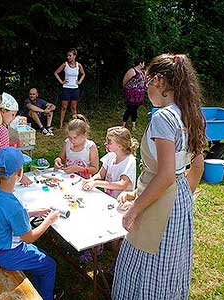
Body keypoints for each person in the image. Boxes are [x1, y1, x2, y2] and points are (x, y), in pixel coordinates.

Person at [111, 54, 206, 299]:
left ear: (161, 82)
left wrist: (134, 210)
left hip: (161, 200)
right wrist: (181, 200)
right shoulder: (190, 113)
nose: (145, 86)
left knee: (144, 263)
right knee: (169, 266)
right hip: (179, 197)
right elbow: (196, 169)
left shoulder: (164, 117)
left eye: (149, 79)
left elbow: (165, 176)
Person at [0, 147, 62, 300]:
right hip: (9, 254)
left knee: (42, 256)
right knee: (50, 265)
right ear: (19, 173)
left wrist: (32, 212)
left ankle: (40, 289)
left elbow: (6, 216)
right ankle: (46, 297)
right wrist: (49, 220)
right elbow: (29, 238)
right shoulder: (14, 206)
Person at [82, 126, 137, 199]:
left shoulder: (129, 161)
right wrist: (90, 180)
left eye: (109, 142)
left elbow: (122, 184)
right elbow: (101, 175)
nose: (105, 143)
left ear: (120, 146)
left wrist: (96, 183)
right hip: (108, 198)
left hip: (122, 202)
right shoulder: (110, 155)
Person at [53, 114, 99, 179]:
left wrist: (80, 169)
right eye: (69, 137)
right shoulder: (67, 142)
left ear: (84, 135)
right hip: (67, 178)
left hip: (83, 181)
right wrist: (58, 160)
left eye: (75, 137)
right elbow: (61, 158)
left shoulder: (90, 146)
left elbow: (95, 169)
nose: (72, 140)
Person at [54, 48, 85, 129]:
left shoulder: (78, 65)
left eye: (70, 56)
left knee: (74, 107)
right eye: (67, 56)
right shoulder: (65, 64)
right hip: (66, 88)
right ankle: (61, 125)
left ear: (74, 56)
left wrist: (80, 81)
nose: (68, 57)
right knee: (64, 107)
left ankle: (75, 125)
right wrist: (61, 81)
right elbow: (56, 72)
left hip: (75, 89)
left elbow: (83, 73)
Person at [122, 58, 146, 131]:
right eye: (143, 63)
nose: (144, 65)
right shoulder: (132, 71)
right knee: (130, 108)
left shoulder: (142, 72)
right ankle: (124, 124)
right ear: (140, 63)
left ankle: (133, 124)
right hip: (131, 94)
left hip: (139, 95)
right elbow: (125, 81)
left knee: (135, 109)